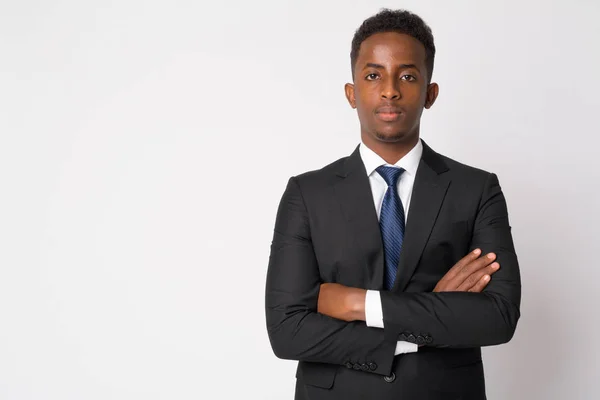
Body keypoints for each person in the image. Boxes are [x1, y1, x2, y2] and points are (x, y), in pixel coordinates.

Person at [265, 8, 521, 400]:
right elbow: (287, 332)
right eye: (373, 75)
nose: (390, 90)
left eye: (407, 75)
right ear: (352, 93)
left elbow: (497, 318)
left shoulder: (477, 189)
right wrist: (434, 314)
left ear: (430, 93)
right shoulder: (306, 194)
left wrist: (357, 303)